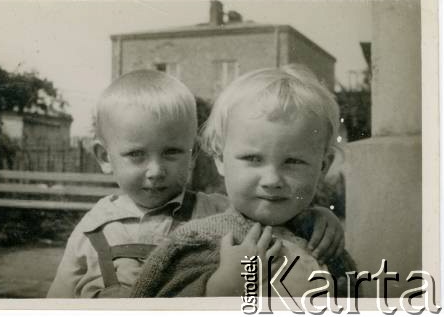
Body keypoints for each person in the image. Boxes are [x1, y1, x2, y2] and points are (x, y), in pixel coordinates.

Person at [47, 69, 346, 298]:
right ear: (104, 156)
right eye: (137, 155)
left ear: (193, 154)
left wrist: (317, 217)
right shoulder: (94, 227)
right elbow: (57, 299)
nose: (155, 171)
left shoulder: (214, 212)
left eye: (172, 152)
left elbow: (263, 215)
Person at [131, 65, 355, 298]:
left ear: (322, 166)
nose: (272, 180)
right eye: (252, 158)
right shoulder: (200, 240)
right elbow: (152, 303)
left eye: (293, 162)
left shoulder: (321, 241)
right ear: (219, 158)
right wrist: (222, 287)